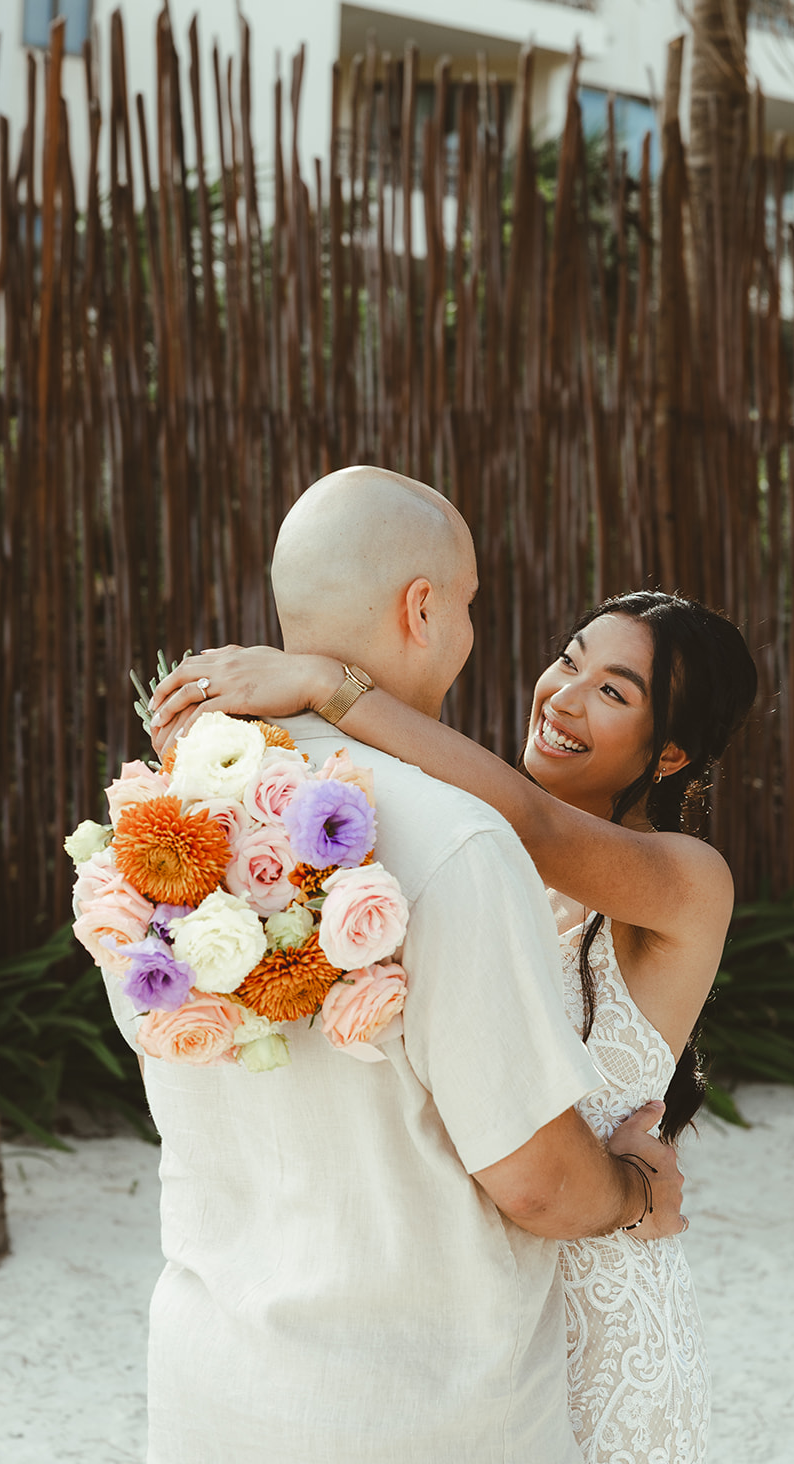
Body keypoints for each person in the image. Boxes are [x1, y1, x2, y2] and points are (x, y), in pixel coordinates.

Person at [113, 466, 689, 1464]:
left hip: (211, 1391)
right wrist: (636, 1187)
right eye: (466, 604)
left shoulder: (161, 828)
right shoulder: (457, 843)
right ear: (421, 608)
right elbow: (539, 1185)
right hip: (416, 1414)